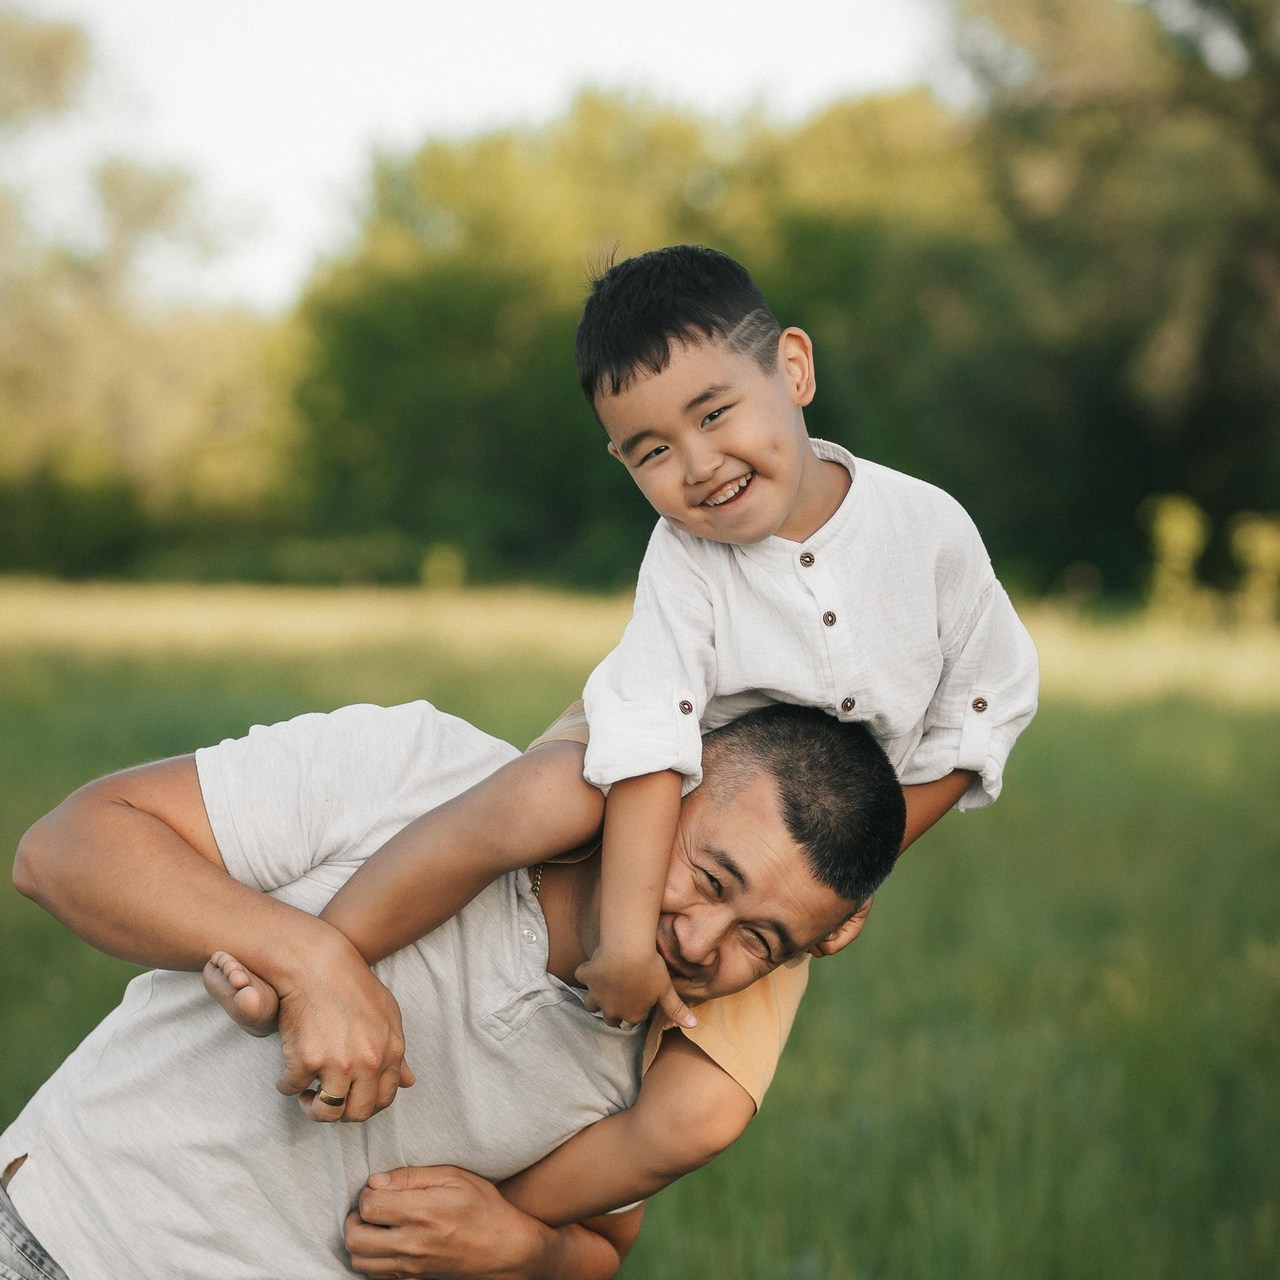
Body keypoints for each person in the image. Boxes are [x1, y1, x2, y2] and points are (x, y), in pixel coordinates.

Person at [269, 243, 1040, 1050]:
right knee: (543, 801)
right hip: (665, 771)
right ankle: (318, 957)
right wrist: (628, 941)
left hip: (777, 852)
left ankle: (510, 1186)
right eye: (653, 451)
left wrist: (850, 874)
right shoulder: (685, 555)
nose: (698, 466)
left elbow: (980, 712)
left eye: (713, 415)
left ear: (794, 370)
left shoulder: (928, 530)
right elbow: (649, 743)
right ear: (621, 461)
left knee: (703, 1107)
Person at [1, 697, 905, 1280]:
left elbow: (599, 1249)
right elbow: (63, 850)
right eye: (709, 877)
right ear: (669, 784)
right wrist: (311, 961)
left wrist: (521, 1250)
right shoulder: (421, 765)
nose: (700, 940)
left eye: (761, 939)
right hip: (52, 1240)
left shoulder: (668, 1054)